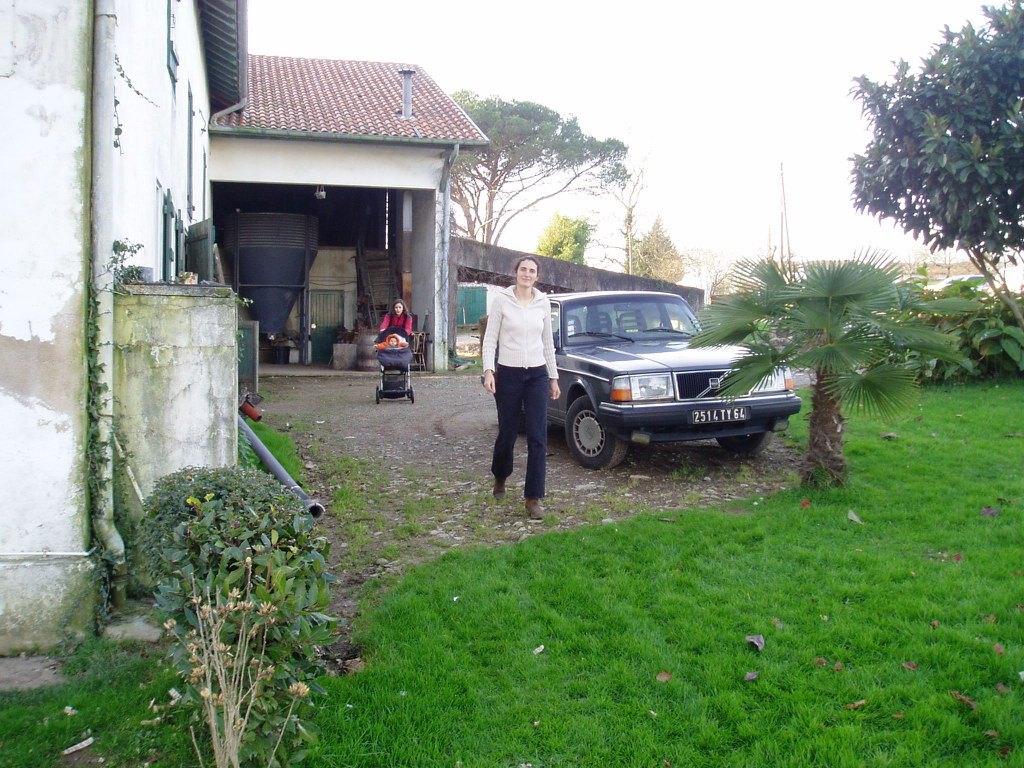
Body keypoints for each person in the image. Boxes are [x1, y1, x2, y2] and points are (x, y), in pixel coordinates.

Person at [481, 257, 561, 519]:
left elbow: (547, 343)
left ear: (537, 276)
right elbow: (490, 339)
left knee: (538, 436)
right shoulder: (502, 300)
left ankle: (533, 498)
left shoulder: (543, 302)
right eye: (523, 269)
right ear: (515, 272)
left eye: (532, 271)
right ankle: (500, 476)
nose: (527, 274)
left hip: (537, 374)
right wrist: (488, 371)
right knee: (508, 431)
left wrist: (553, 377)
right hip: (509, 374)